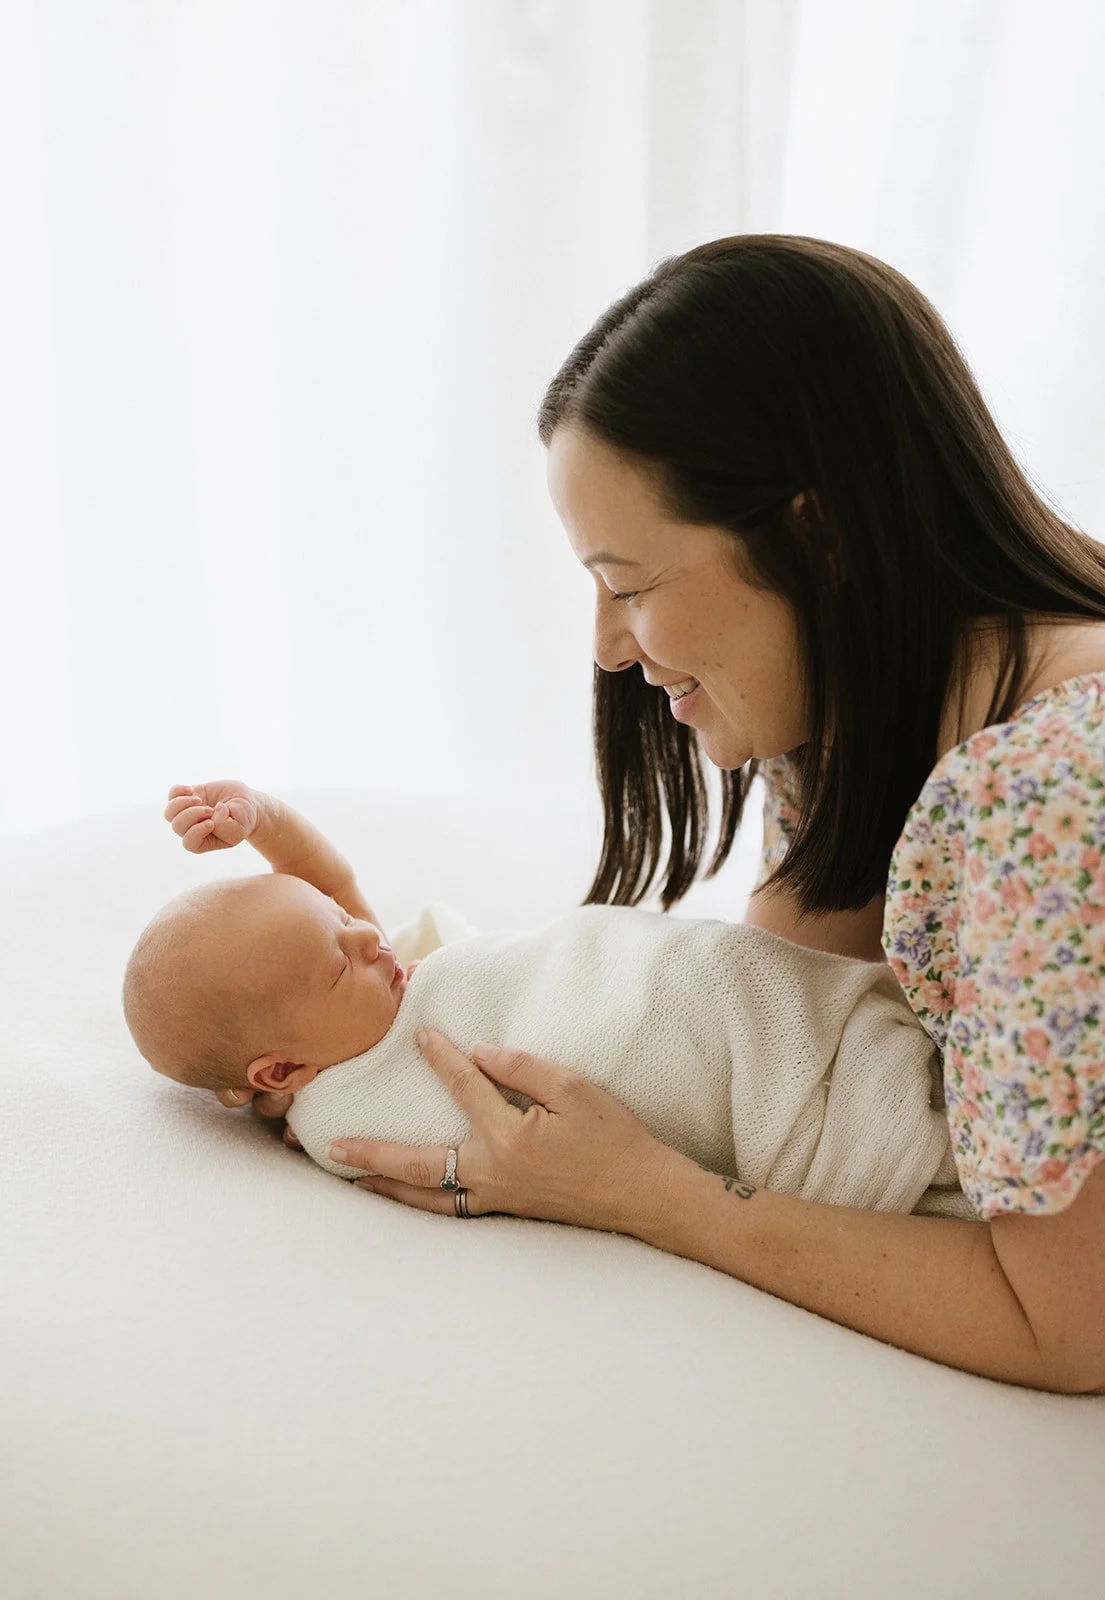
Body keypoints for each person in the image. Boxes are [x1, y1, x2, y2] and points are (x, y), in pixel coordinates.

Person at [215, 234, 1105, 1394]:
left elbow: (1062, 1326)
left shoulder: (1046, 794)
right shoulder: (858, 713)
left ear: (815, 535)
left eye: (629, 585)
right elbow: (778, 1028)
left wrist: (647, 1195)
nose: (605, 646)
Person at [123, 781, 973, 1222]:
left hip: (690, 978)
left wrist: (263, 817)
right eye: (336, 962)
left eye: (345, 922)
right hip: (720, 1062)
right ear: (281, 1068)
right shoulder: (352, 1119)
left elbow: (328, 887)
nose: (368, 938)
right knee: (913, 1111)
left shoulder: (363, 1006)